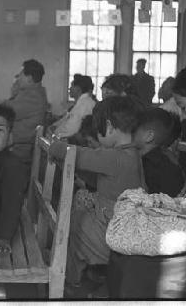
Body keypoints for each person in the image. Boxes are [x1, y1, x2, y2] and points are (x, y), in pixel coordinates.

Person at [108, 62, 186, 298]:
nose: (184, 117)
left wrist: (179, 218)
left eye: (185, 108)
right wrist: (166, 209)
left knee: (139, 267)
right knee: (125, 246)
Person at [48, 96, 146, 293]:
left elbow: (80, 155)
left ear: (109, 127)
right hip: (119, 219)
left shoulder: (115, 156)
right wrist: (71, 167)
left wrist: (55, 146)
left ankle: (69, 279)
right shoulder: (131, 154)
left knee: (73, 223)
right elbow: (100, 181)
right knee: (82, 201)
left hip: (113, 225)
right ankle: (86, 271)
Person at [0, 104, 29, 253]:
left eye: (0, 130)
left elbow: (12, 204)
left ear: (10, 135)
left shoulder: (13, 166)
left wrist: (3, 237)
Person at [3, 59, 48, 163]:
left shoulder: (34, 96)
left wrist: (13, 93)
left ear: (29, 78)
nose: (18, 78)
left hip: (19, 148)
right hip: (17, 142)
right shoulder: (33, 93)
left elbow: (7, 112)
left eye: (21, 74)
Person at [132, 108, 185, 197]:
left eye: (134, 130)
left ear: (149, 136)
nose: (129, 133)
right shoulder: (167, 162)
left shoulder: (152, 166)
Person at [50, 74, 96, 139]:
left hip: (73, 141)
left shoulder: (84, 104)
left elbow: (71, 130)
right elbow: (65, 120)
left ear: (78, 88)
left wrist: (54, 132)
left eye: (72, 86)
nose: (69, 88)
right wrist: (54, 126)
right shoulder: (82, 102)